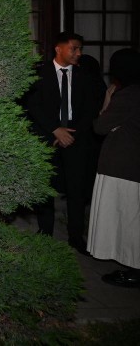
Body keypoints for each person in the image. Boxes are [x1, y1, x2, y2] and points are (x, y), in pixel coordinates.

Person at [26, 31, 104, 254]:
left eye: (80, 49)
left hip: (76, 137)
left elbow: (91, 109)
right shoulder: (39, 73)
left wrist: (71, 134)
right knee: (45, 187)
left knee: (76, 188)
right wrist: (55, 130)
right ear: (58, 49)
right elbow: (33, 106)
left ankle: (76, 236)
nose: (78, 53)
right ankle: (45, 233)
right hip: (47, 135)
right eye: (74, 48)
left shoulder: (84, 75)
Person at [87, 48, 140, 288]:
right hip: (130, 166)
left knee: (128, 218)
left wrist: (107, 102)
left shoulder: (129, 95)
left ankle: (134, 269)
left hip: (124, 166)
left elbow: (100, 126)